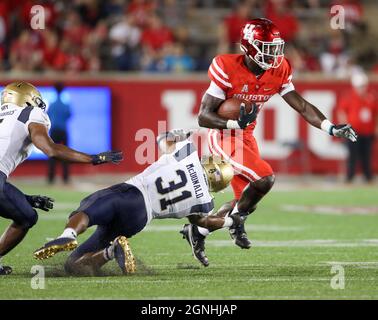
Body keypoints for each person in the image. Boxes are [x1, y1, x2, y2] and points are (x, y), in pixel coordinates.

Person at [185, 18, 357, 260]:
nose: (274, 54)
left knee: (245, 200)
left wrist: (330, 127)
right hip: (223, 135)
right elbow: (203, 117)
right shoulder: (226, 66)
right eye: (267, 48)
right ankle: (235, 222)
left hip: (246, 136)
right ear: (250, 46)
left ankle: (199, 229)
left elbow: (302, 105)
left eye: (276, 47)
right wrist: (234, 122)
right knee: (264, 178)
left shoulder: (279, 69)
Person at [33, 130, 238, 274]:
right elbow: (206, 223)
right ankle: (110, 252)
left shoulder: (188, 154)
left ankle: (68, 235)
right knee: (73, 265)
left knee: (88, 207)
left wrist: (177, 136)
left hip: (130, 194)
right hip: (139, 219)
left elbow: (162, 140)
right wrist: (231, 221)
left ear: (209, 162)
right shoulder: (204, 203)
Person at [0, 82, 123, 276]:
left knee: (26, 215)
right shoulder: (30, 113)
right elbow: (51, 149)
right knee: (26, 218)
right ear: (27, 98)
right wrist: (93, 158)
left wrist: (26, 198)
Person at [338, 72, 378, 183]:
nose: (363, 88)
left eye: (364, 85)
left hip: (367, 132)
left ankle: (368, 177)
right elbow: (342, 113)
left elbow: (375, 113)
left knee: (367, 155)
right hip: (353, 131)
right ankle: (350, 177)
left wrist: (376, 128)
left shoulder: (372, 96)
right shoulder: (348, 97)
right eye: (361, 86)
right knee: (352, 155)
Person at [47, 82, 72, 184]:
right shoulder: (65, 105)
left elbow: (47, 116)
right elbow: (69, 115)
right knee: (66, 154)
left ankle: (51, 178)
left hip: (54, 131)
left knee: (52, 154)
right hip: (63, 130)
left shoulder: (52, 105)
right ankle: (65, 178)